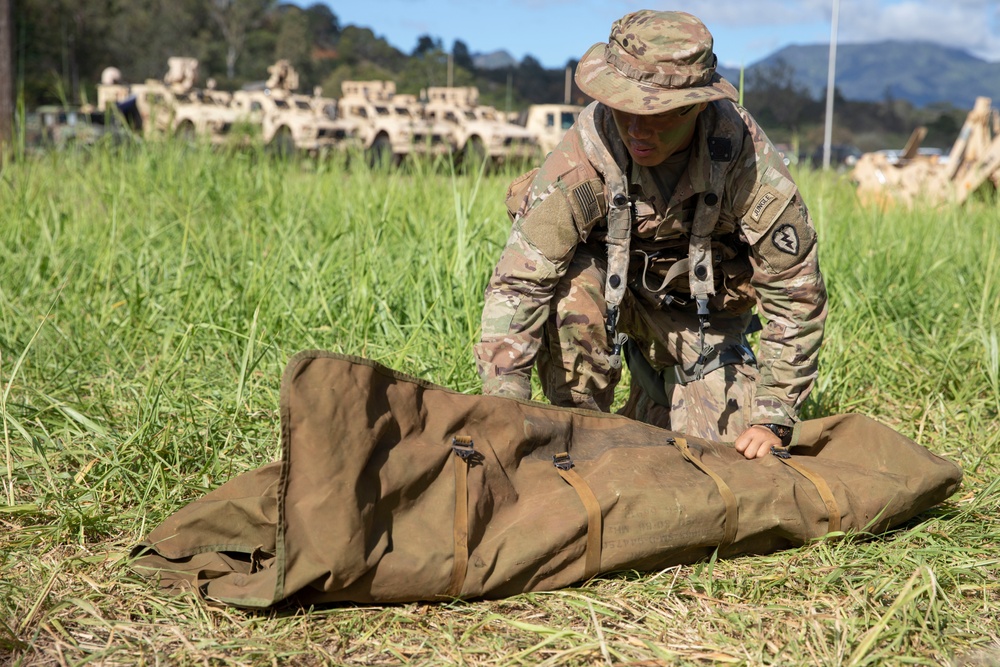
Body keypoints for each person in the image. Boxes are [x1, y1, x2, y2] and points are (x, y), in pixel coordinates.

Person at [474, 10, 827, 460]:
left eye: (658, 114)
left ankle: (658, 395)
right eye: (623, 108)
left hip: (700, 319)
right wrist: (504, 400)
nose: (637, 129)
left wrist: (774, 413)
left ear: (698, 105)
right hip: (604, 303)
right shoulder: (582, 155)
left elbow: (794, 293)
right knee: (569, 294)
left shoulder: (747, 162)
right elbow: (520, 283)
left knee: (728, 457)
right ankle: (584, 428)